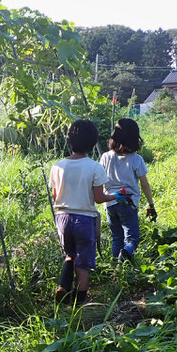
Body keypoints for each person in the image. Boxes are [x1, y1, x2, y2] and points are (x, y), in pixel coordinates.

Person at [48, 119, 123, 304]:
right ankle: (80, 300)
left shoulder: (57, 165)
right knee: (83, 261)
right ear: (92, 142)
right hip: (84, 218)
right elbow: (98, 198)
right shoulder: (95, 167)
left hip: (62, 218)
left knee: (70, 254)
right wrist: (115, 196)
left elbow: (55, 196)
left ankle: (62, 286)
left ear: (69, 139)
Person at [99, 118, 157, 262]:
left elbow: (99, 180)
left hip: (110, 203)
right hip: (128, 202)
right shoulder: (136, 159)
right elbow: (145, 185)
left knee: (117, 237)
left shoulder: (105, 157)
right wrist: (151, 205)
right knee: (132, 240)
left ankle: (116, 267)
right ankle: (125, 254)